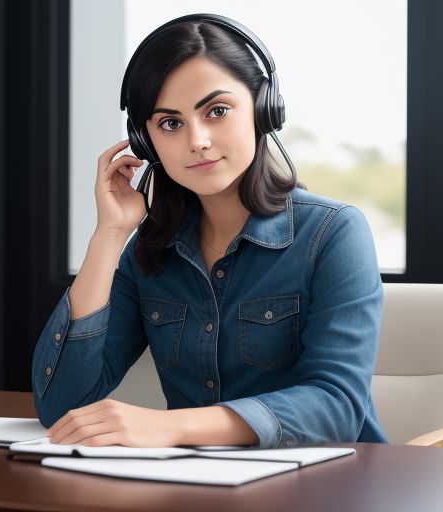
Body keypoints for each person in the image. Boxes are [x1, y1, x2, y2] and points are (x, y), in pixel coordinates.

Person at [31, 13, 387, 449]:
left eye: (216, 111)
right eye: (170, 123)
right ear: (146, 143)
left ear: (262, 109)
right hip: (198, 485)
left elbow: (337, 408)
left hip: (326, 487)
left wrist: (170, 427)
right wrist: (109, 234)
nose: (196, 139)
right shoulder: (150, 250)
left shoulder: (333, 233)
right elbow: (60, 404)